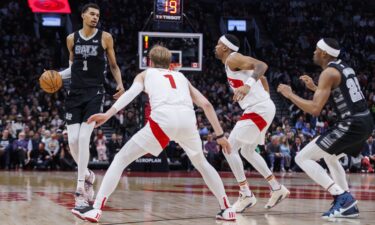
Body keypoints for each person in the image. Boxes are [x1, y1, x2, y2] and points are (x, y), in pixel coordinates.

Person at [71, 45, 236, 222]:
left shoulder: (146, 74)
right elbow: (207, 105)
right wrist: (220, 136)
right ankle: (227, 209)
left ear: (149, 61)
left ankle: (96, 209)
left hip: (163, 122)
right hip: (188, 122)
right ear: (170, 63)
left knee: (120, 160)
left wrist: (107, 114)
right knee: (202, 163)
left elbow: (130, 94)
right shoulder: (181, 76)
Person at [277, 38, 374, 218]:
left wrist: (290, 95)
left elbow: (315, 109)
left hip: (351, 123)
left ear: (323, 53)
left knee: (302, 157)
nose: (313, 53)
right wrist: (316, 88)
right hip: (365, 121)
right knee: (330, 157)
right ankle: (347, 205)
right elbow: (342, 96)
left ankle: (342, 196)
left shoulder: (328, 73)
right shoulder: (345, 68)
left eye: (316, 50)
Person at [57, 3, 125, 211]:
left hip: (95, 93)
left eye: (98, 15)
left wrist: (120, 83)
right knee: (73, 140)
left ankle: (80, 189)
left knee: (85, 138)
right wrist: (55, 76)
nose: (96, 17)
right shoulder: (71, 39)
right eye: (92, 14)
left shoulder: (105, 37)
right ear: (83, 15)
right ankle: (86, 174)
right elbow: (71, 69)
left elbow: (113, 65)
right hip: (74, 94)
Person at [214, 34, 289, 213]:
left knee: (229, 147)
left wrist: (248, 86)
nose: (215, 47)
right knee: (247, 151)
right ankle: (276, 188)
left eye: (218, 44)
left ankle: (246, 193)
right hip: (261, 107)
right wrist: (264, 97)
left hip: (259, 109)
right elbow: (262, 79)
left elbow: (262, 66)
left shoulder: (233, 58)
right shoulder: (232, 64)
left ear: (225, 47)